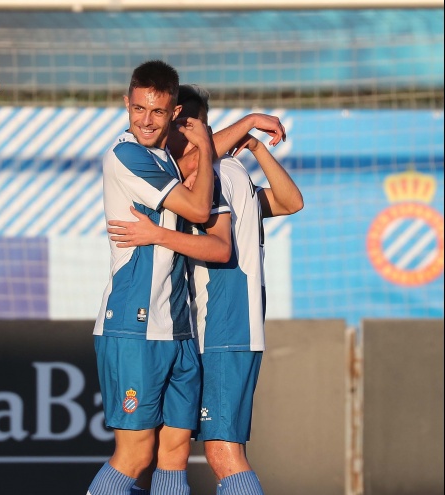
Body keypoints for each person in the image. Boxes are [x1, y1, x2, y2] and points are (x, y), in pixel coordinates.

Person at [108, 84, 303, 495]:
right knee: (173, 448)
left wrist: (157, 235)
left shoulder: (212, 176)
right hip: (223, 327)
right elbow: (290, 203)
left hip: (222, 327)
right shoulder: (231, 174)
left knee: (222, 454)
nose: (161, 137)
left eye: (172, 125)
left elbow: (219, 247)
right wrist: (256, 146)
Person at [89, 60, 215, 495]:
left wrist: (245, 127)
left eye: (157, 111)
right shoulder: (126, 154)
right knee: (136, 455)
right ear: (126, 104)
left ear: (174, 113)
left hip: (177, 327)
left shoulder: (164, 159)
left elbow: (196, 162)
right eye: (139, 108)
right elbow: (198, 209)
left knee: (175, 452)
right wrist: (209, 147)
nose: (146, 120)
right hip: (133, 324)